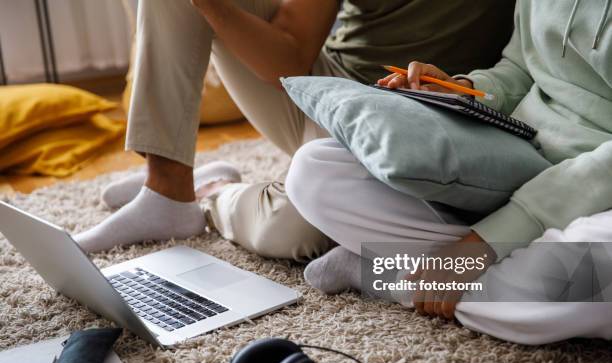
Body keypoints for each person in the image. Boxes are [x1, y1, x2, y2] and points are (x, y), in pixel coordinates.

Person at [74, 0, 515, 261]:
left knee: (298, 230)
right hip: (326, 89)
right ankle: (167, 188)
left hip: (421, 115)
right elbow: (289, 56)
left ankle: (213, 193)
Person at [285, 0, 612, 344]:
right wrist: (462, 90)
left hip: (595, 196)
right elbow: (521, 67)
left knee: (597, 271)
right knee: (316, 172)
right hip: (516, 159)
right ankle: (477, 273)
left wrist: (491, 239)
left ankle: (393, 277)